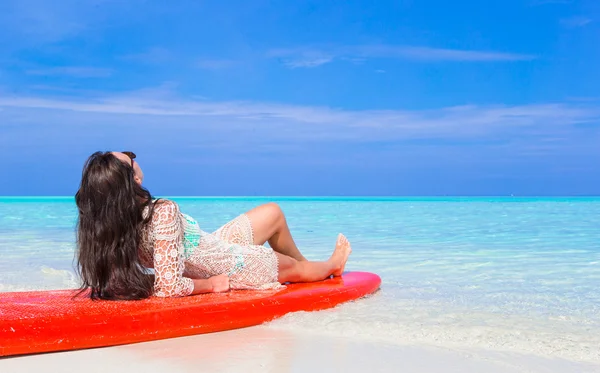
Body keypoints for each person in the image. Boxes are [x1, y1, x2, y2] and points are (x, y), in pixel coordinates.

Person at [75, 151, 352, 300]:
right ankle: (329, 267)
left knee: (273, 212)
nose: (134, 156)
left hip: (212, 247)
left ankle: (300, 267)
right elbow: (168, 287)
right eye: (130, 158)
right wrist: (210, 284)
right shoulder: (162, 211)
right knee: (300, 270)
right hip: (231, 265)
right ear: (132, 180)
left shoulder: (109, 222)